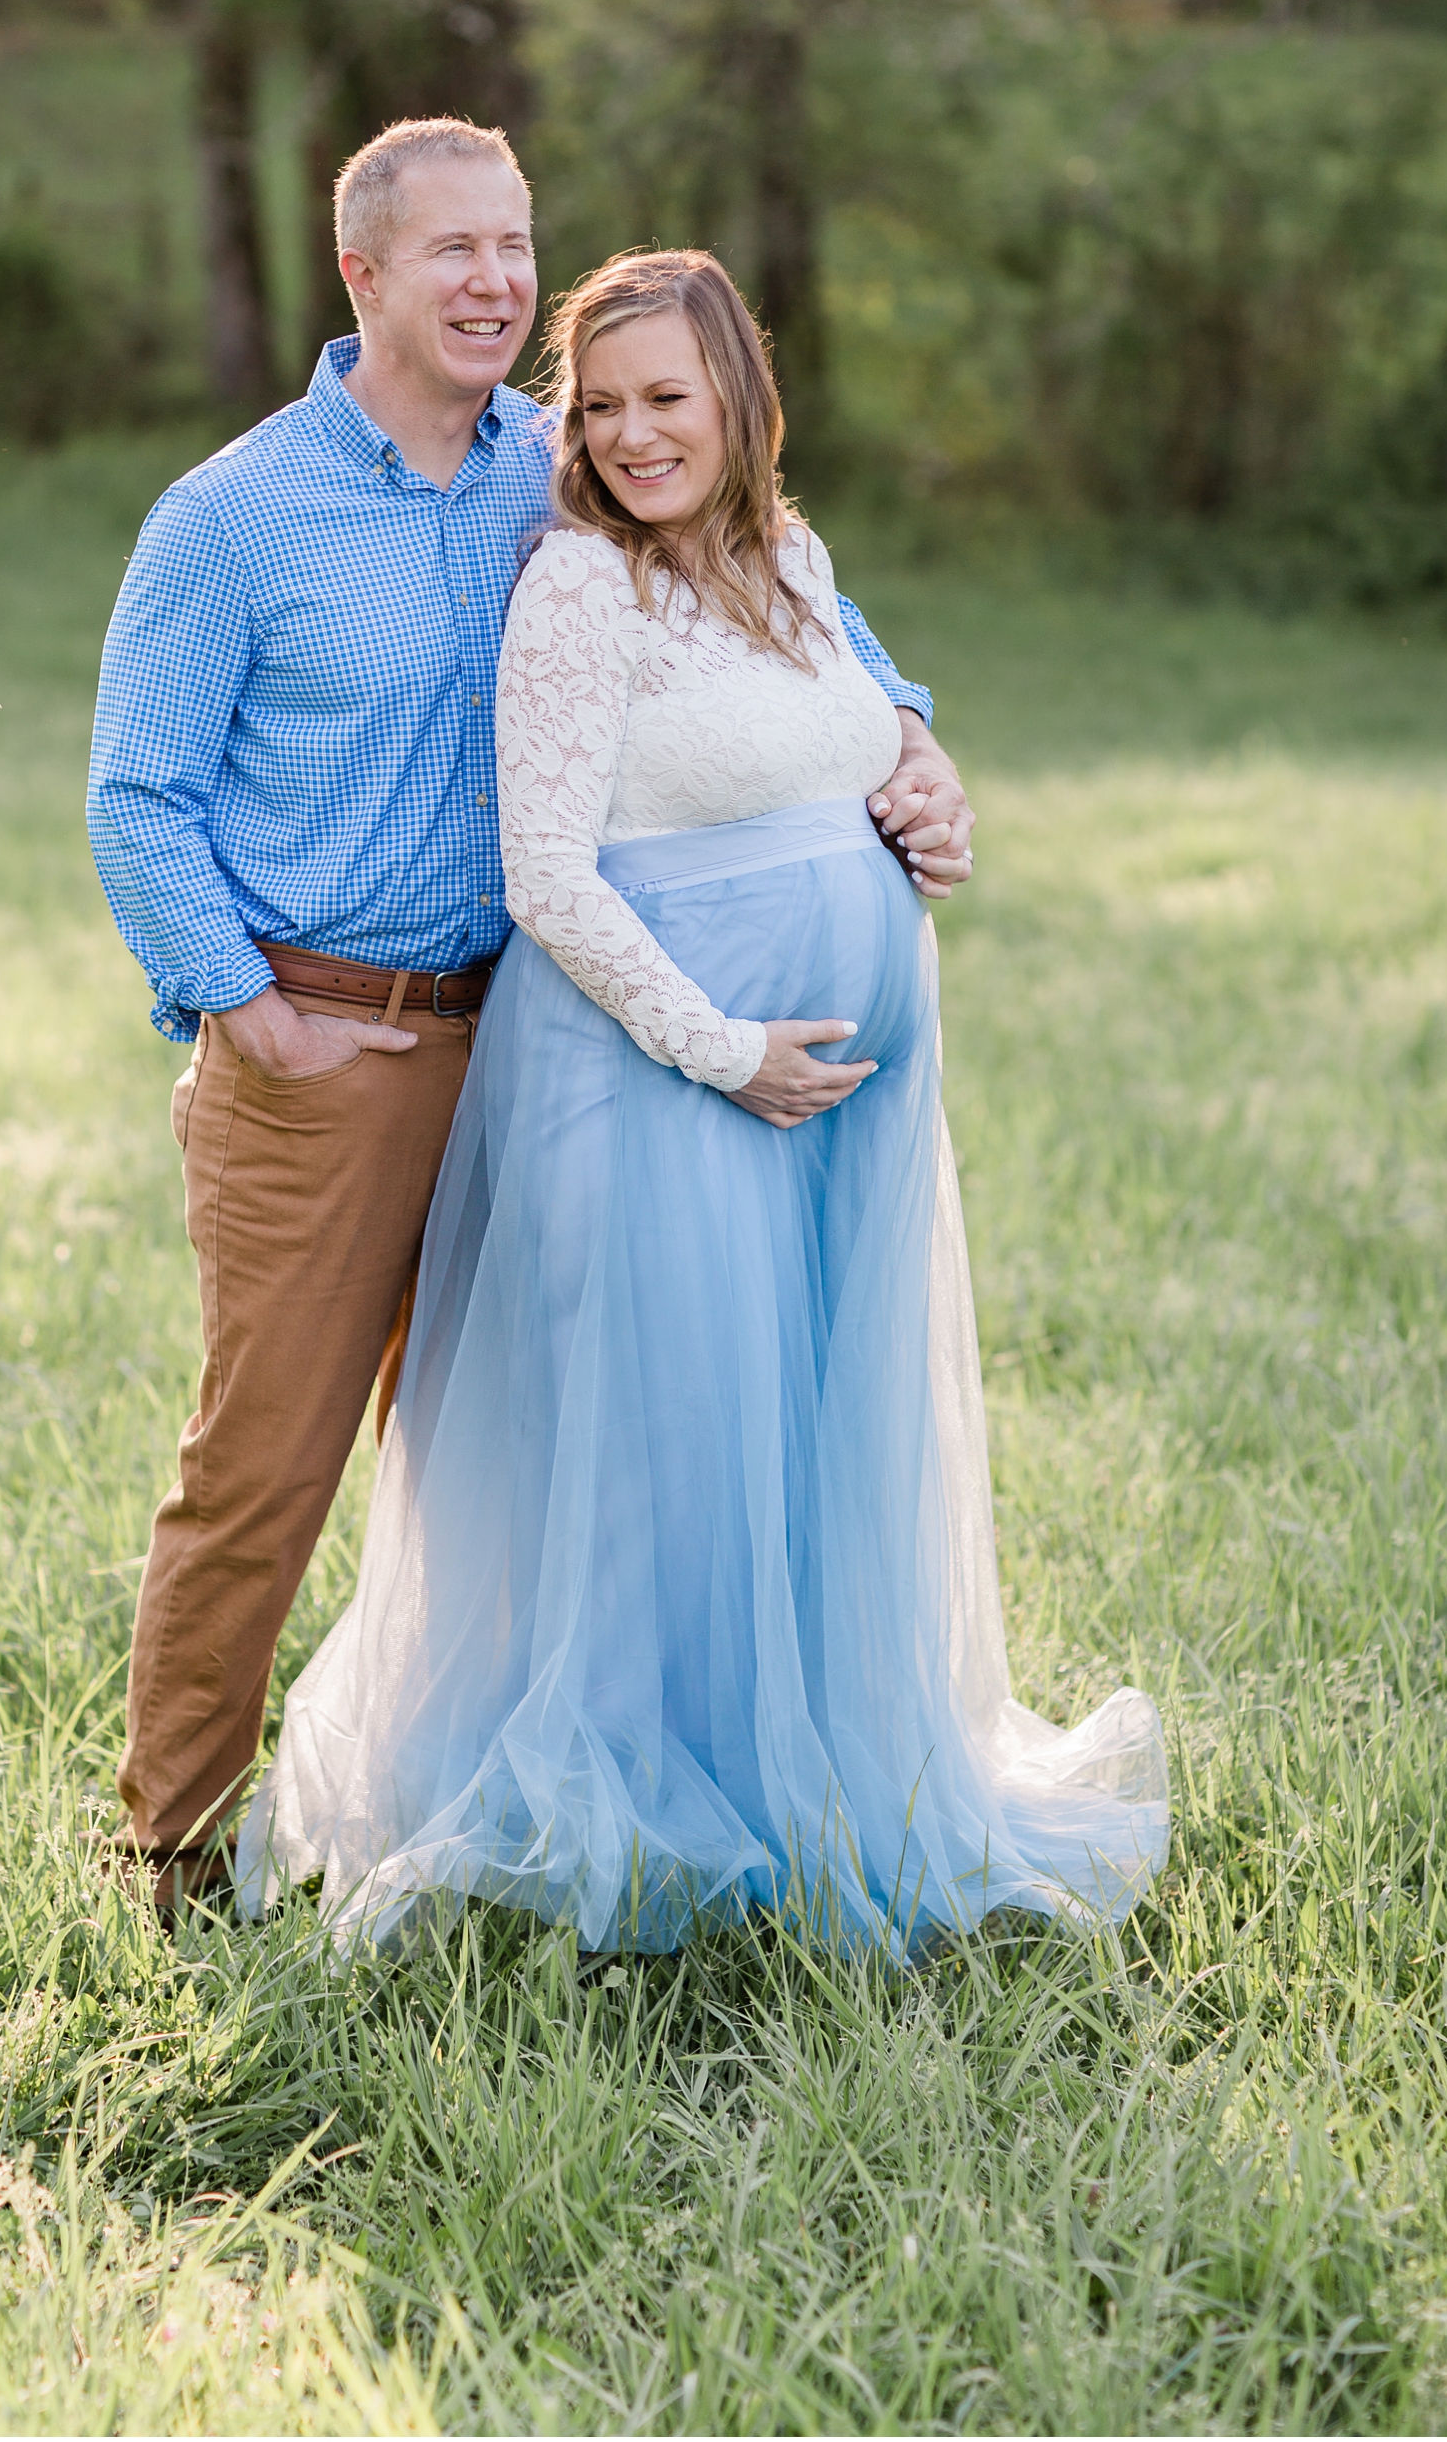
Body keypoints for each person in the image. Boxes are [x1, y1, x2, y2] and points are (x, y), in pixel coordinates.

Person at [237, 247, 1168, 1955]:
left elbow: (859, 740)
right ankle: (645, 1813)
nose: (634, 436)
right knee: (671, 1452)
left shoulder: (794, 563)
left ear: (742, 400)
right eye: (600, 409)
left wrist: (928, 789)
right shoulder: (581, 591)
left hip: (838, 1105)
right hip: (662, 1077)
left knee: (810, 1440)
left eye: (668, 399)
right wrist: (722, 1048)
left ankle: (811, 1778)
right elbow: (549, 876)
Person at [87, 121, 972, 1909]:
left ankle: (478, 1802)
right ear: (362, 275)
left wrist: (920, 742)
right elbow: (139, 796)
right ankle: (169, 1850)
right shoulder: (233, 518)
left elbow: (795, 608)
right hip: (332, 1045)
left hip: (556, 1044)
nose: (494, 283)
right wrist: (252, 1016)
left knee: (525, 1452)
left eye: (514, 248)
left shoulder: (553, 466)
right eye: (452, 254)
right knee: (266, 1466)